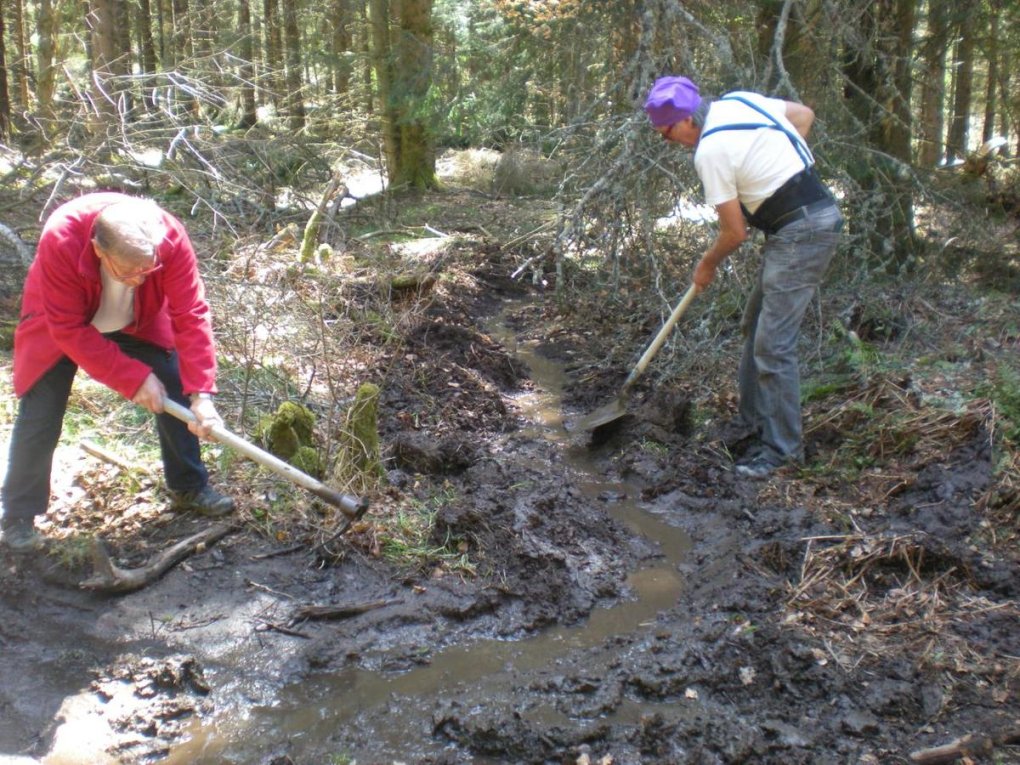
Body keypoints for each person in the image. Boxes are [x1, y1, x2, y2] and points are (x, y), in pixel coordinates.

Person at [0, 192, 235, 554]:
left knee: (173, 381)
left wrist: (201, 394)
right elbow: (67, 327)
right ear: (98, 249)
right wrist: (132, 377)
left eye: (148, 271)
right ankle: (18, 516)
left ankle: (188, 486)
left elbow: (191, 314)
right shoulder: (62, 236)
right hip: (62, 323)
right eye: (128, 273)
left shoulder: (169, 236)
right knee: (42, 412)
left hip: (136, 320)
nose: (139, 280)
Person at [644, 76, 843, 479]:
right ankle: (752, 424)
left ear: (684, 121)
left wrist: (707, 264)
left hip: (802, 232)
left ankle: (783, 451)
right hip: (802, 223)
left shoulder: (711, 152)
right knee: (756, 326)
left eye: (666, 134)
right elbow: (803, 116)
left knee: (773, 346)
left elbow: (734, 233)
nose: (668, 142)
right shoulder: (739, 103)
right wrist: (781, 173)